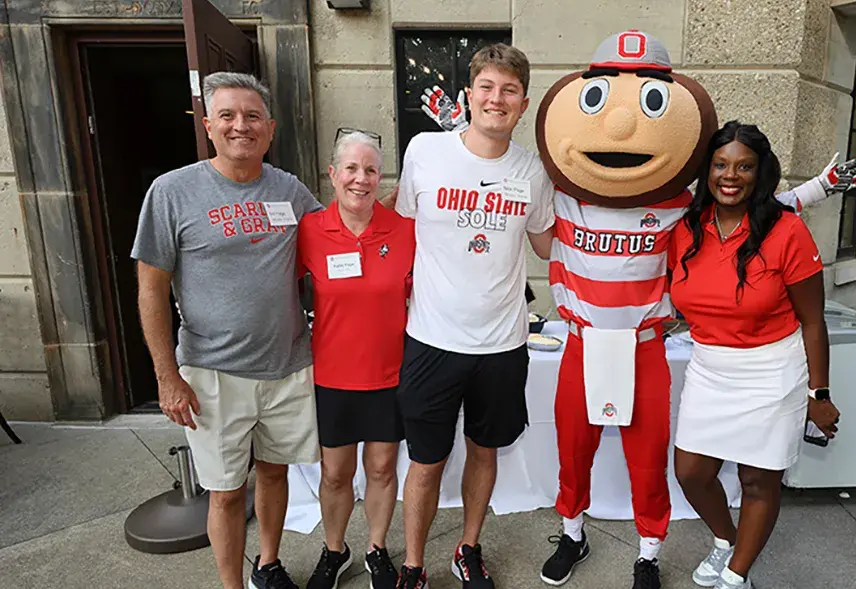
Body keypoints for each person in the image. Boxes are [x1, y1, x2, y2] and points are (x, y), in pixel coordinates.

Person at [529, 30, 856, 589]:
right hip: (581, 342)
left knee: (650, 458)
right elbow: (516, 176)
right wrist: (462, 131)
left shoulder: (674, 208)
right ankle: (572, 532)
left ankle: (648, 549)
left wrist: (818, 188)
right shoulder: (565, 195)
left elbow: (756, 209)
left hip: (644, 347)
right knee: (573, 447)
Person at [132, 72, 323, 589]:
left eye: (252, 116)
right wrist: (167, 377)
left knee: (276, 472)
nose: (242, 125)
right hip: (212, 374)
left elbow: (339, 237)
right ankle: (230, 585)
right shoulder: (171, 191)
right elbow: (151, 291)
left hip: (286, 366)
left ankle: (268, 563)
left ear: (270, 128)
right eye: (228, 116)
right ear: (209, 126)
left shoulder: (289, 189)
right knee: (225, 491)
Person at [393, 43, 555, 589]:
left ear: (523, 103)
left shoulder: (532, 170)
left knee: (484, 452)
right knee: (426, 461)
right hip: (432, 338)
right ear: (469, 94)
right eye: (486, 87)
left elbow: (548, 244)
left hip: (502, 345)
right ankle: (413, 566)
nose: (496, 98)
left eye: (509, 90)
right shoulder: (425, 151)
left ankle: (468, 548)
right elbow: (400, 231)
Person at [668, 122, 837, 589]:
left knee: (758, 482)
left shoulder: (787, 231)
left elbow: (813, 320)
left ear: (760, 173)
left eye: (744, 166)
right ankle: (726, 541)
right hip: (709, 366)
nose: (730, 175)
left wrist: (818, 393)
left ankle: (737, 576)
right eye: (721, 164)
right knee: (691, 472)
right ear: (707, 170)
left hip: (772, 369)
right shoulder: (687, 229)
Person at [297, 130, 414, 589]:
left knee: (383, 469)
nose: (360, 179)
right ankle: (334, 549)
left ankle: (377, 548)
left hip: (390, 374)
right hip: (333, 375)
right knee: (335, 473)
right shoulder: (310, 230)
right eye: (351, 168)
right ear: (332, 174)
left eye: (370, 170)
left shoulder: (404, 230)